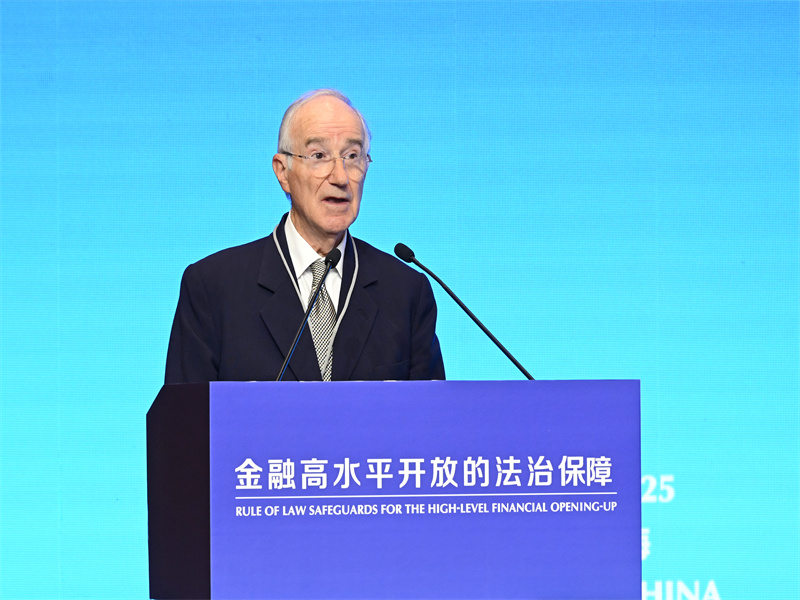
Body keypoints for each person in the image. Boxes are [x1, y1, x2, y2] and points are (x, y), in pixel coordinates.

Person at [165, 89, 445, 383]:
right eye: (318, 156)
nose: (340, 177)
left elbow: (431, 411)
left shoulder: (405, 292)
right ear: (283, 172)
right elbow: (185, 412)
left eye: (352, 156)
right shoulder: (213, 288)